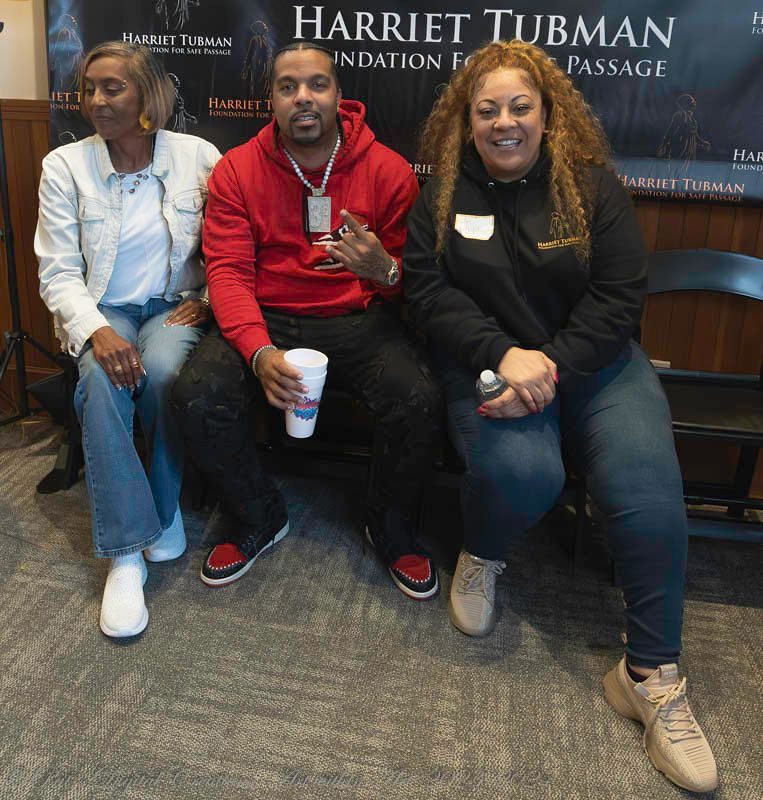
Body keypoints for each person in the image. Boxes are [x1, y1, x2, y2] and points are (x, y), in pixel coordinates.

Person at [403, 40, 717, 793]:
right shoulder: (442, 193)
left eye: (520, 107)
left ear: (547, 115)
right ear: (464, 120)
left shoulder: (591, 188)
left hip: (597, 367)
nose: (504, 122)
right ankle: (481, 552)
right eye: (487, 110)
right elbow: (423, 291)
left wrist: (547, 366)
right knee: (523, 472)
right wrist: (498, 353)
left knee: (645, 499)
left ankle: (648, 675)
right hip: (486, 367)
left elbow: (618, 299)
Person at [171, 42, 441, 599]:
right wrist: (257, 351)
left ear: (340, 96)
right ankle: (259, 516)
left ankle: (388, 528)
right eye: (288, 86)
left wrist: (384, 269)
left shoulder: (388, 171)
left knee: (418, 397)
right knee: (197, 393)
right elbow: (227, 273)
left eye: (317, 84)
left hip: (357, 318)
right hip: (266, 319)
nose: (303, 97)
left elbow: (416, 284)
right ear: (270, 99)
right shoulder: (237, 171)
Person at [35, 42, 221, 638]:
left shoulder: (198, 156)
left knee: (164, 373)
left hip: (173, 304)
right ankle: (124, 553)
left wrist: (210, 300)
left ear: (147, 93)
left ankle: (163, 515)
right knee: (99, 377)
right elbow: (58, 272)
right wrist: (95, 331)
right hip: (103, 306)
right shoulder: (64, 167)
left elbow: (231, 246)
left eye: (112, 87)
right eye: (89, 88)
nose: (96, 100)